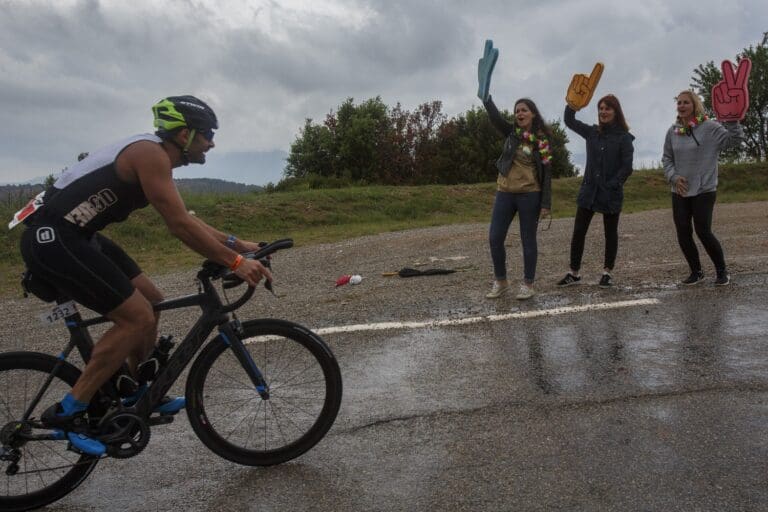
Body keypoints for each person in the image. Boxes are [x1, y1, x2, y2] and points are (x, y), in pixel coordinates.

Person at [17, 95, 272, 455]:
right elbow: (179, 226)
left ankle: (135, 391)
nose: (212, 143)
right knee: (135, 318)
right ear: (184, 134)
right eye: (207, 135)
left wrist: (237, 243)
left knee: (152, 301)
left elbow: (184, 216)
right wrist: (234, 262)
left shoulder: (154, 154)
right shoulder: (150, 155)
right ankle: (68, 411)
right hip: (54, 239)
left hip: (77, 236)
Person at [477, 41, 552, 300]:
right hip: (505, 192)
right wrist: (486, 97)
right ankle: (501, 281)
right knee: (494, 238)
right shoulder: (511, 133)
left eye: (524, 110)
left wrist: (546, 203)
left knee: (528, 241)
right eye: (517, 110)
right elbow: (495, 117)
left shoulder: (541, 140)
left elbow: (547, 173)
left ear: (532, 114)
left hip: (529, 194)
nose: (519, 113)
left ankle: (528, 284)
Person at [662, 90, 743, 286]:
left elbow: (733, 141)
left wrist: (732, 121)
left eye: (685, 103)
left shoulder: (709, 127)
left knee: (703, 230)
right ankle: (696, 271)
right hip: (680, 190)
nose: (681, 106)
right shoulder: (673, 131)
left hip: (704, 189)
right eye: (679, 102)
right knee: (683, 231)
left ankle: (722, 271)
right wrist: (673, 177)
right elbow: (667, 158)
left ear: (695, 105)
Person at [557, 94, 634, 288]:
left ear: (616, 111)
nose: (603, 112)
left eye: (607, 108)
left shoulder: (624, 138)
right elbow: (569, 120)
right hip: (589, 191)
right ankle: (573, 273)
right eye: (600, 108)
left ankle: (607, 273)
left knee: (610, 234)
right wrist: (572, 104)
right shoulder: (592, 132)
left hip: (610, 193)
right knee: (579, 232)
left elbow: (627, 167)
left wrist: (614, 184)